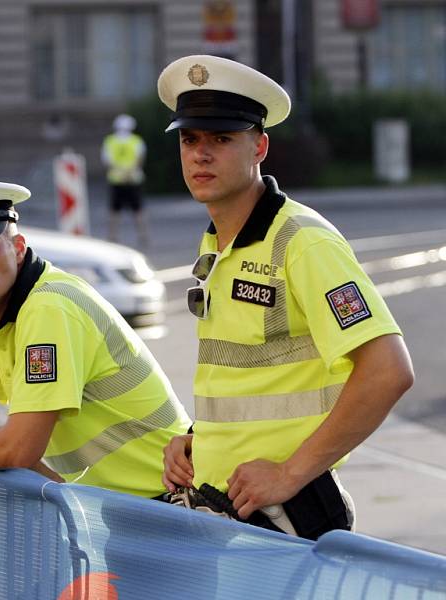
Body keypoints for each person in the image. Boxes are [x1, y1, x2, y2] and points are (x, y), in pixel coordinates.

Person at [157, 55, 414, 538]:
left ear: (260, 147)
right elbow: (250, 380)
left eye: (221, 139)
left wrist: (291, 473)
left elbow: (388, 371)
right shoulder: (216, 239)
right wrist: (199, 441)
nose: (200, 154)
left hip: (283, 521)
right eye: (190, 140)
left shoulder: (302, 241)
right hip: (223, 511)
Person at [0, 182, 192, 498]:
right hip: (115, 506)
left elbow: (13, 448)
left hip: (166, 501)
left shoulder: (49, 308)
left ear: (17, 248)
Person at [101, 114, 147, 247]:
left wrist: (119, 171)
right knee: (138, 209)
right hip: (134, 179)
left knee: (114, 209)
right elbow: (140, 159)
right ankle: (143, 236)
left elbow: (106, 161)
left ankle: (112, 236)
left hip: (116, 179)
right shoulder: (136, 140)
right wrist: (130, 172)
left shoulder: (110, 141)